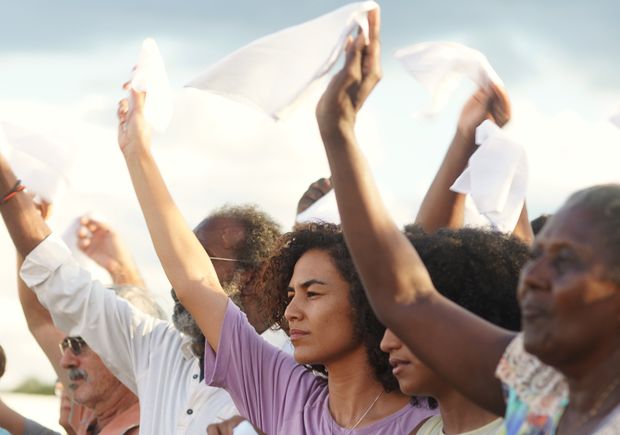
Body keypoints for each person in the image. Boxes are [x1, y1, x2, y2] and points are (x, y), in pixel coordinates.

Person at [315, 7, 620, 434]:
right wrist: (339, 129)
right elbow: (408, 298)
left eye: (566, 262)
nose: (532, 278)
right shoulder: (542, 389)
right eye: (537, 257)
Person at [114, 48, 436, 434]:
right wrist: (137, 152)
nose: (292, 311)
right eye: (291, 294)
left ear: (367, 300)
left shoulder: (430, 420)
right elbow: (195, 282)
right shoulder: (282, 392)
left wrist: (338, 127)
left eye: (313, 293)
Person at [382, 227, 528, 435]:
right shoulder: (421, 431)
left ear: (470, 318)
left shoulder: (535, 428)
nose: (386, 343)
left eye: (407, 324)